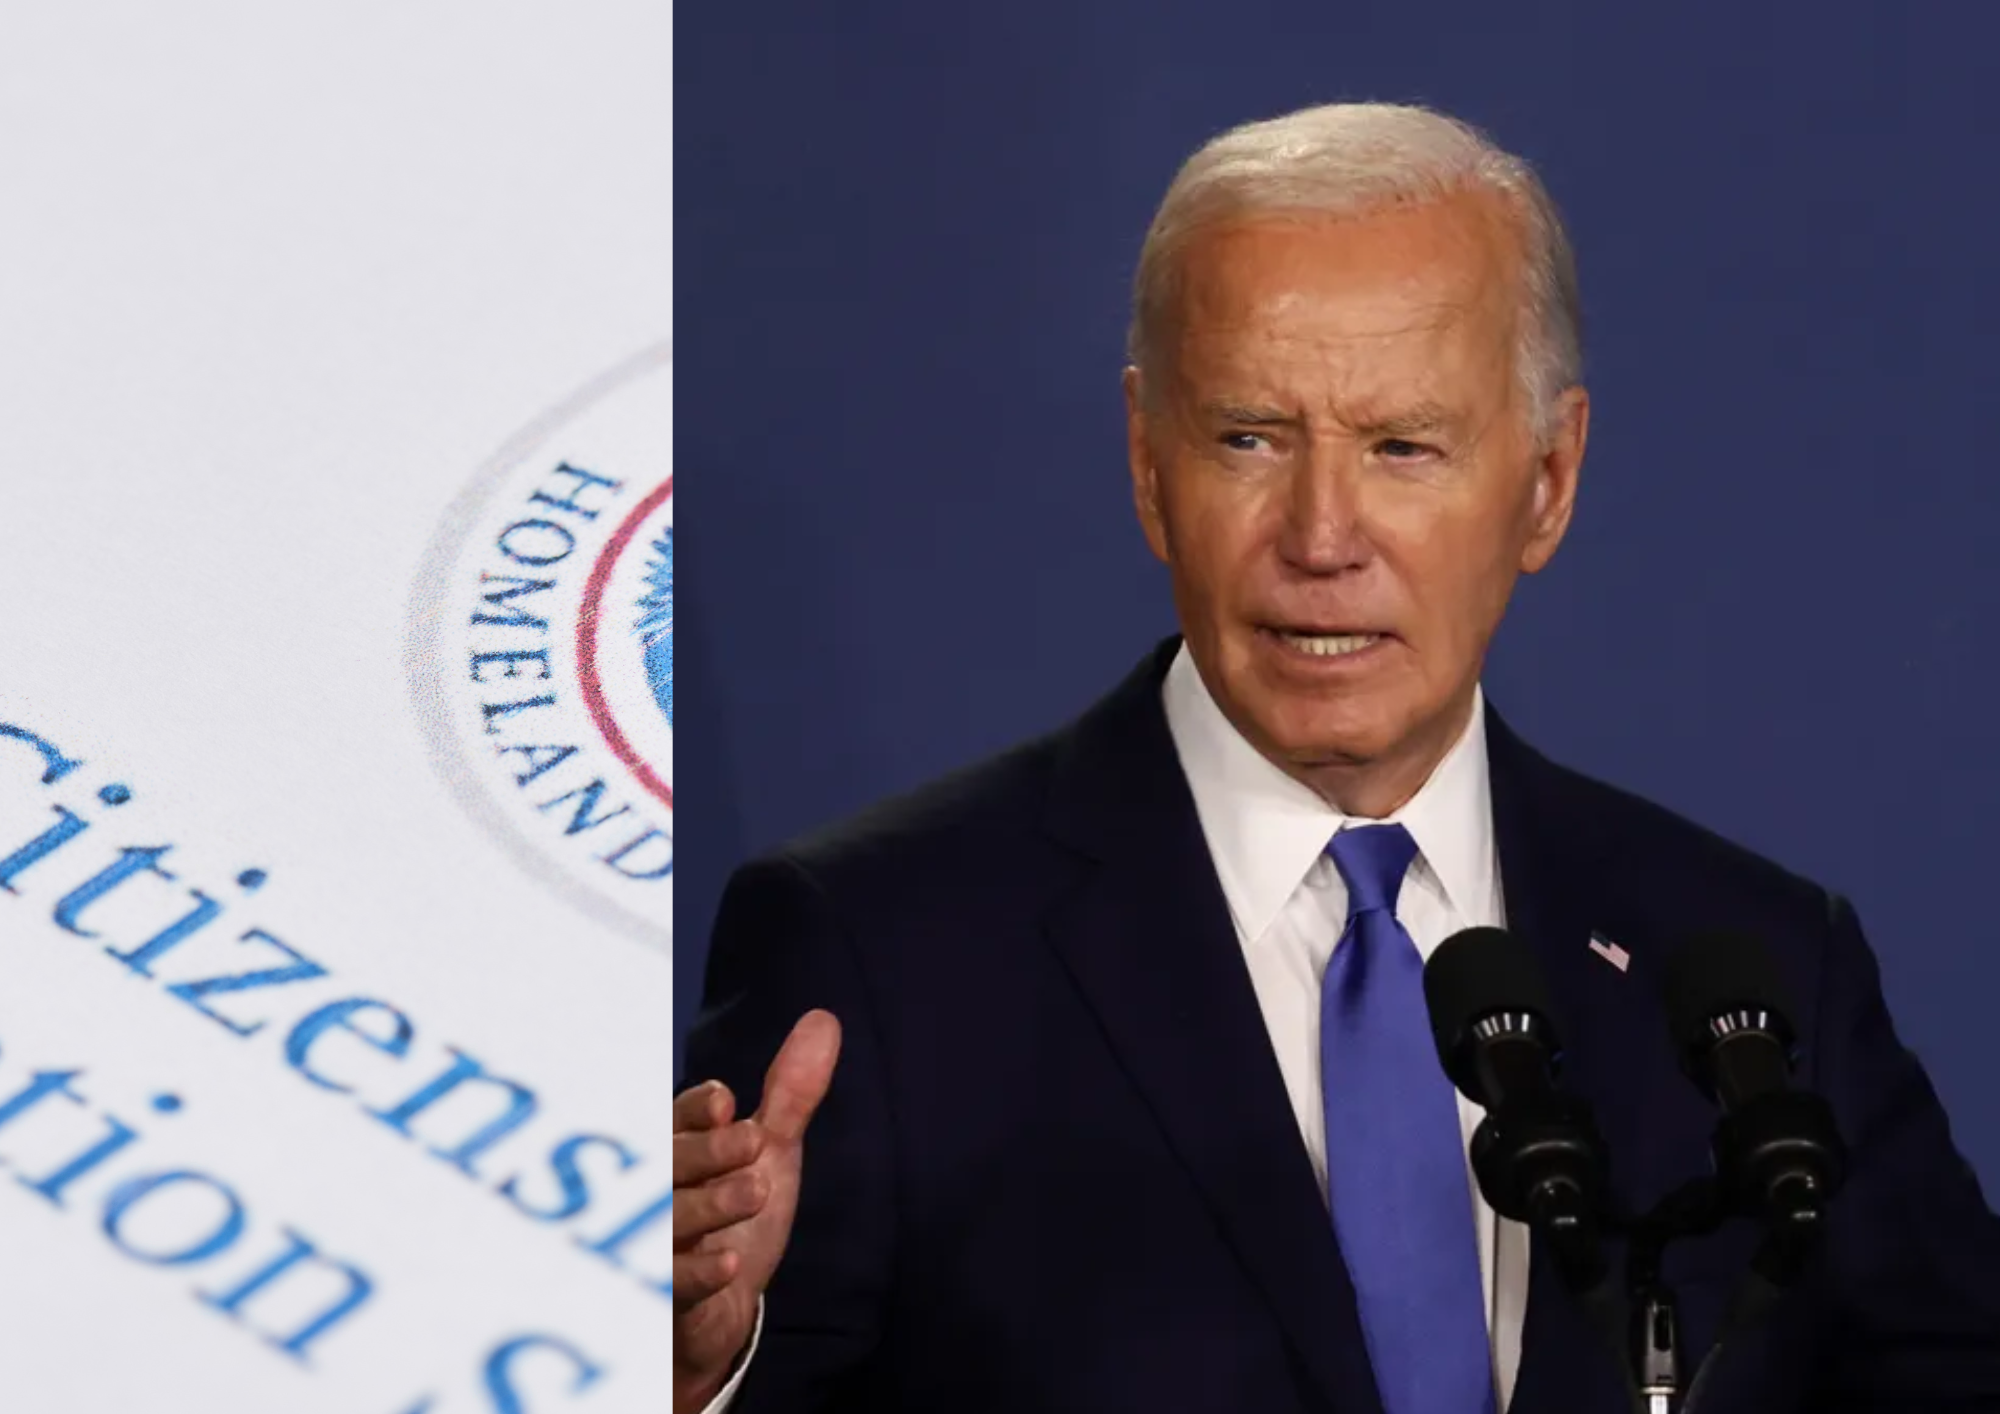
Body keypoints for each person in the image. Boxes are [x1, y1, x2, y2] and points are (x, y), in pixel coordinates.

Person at [671, 102, 2000, 1413]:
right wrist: (689, 1377)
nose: (1321, 535)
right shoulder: (883, 955)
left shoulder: (1759, 968)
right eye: (1249, 437)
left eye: (1401, 447)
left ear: (1548, 480)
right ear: (1147, 464)